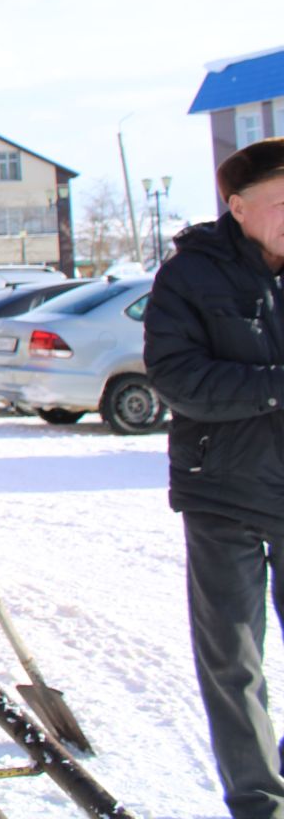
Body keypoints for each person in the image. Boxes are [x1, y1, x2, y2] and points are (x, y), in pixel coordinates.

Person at [145, 136, 284, 819]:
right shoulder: (190, 275)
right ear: (237, 206)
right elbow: (177, 378)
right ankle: (258, 802)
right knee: (234, 661)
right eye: (283, 202)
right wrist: (274, 387)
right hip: (223, 492)